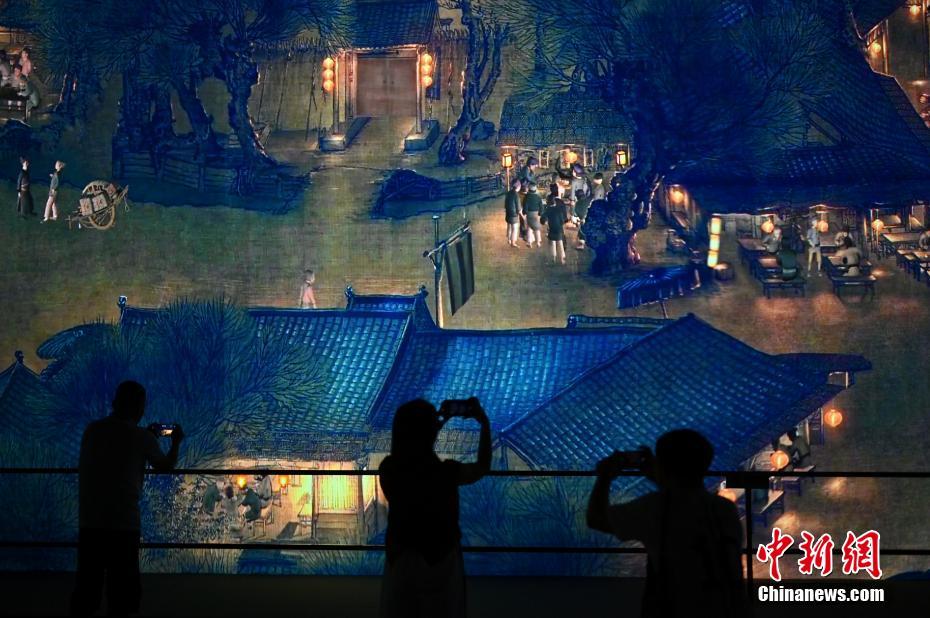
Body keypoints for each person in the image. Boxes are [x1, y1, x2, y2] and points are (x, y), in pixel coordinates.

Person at [587, 430, 745, 617]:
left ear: (663, 466)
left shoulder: (653, 508)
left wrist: (604, 476)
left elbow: (596, 518)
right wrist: (659, 476)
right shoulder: (725, 509)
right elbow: (684, 497)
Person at [70, 381, 184, 617]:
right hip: (123, 524)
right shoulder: (142, 438)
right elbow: (165, 465)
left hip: (90, 522)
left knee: (87, 590)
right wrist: (175, 443)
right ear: (138, 407)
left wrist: (146, 436)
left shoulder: (92, 430)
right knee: (123, 594)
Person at [379, 397, 491, 618]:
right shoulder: (447, 473)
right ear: (431, 432)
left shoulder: (389, 470)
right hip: (443, 563)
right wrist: (483, 423)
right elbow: (481, 467)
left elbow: (415, 456)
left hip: (401, 563)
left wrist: (435, 423)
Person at [543, 185, 568, 265]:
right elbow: (563, 218)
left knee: (552, 243)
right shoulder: (560, 204)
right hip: (559, 228)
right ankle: (562, 259)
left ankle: (553, 259)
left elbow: (543, 219)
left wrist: (545, 222)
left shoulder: (548, 209)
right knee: (560, 243)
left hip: (551, 228)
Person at [522, 182, 543, 248]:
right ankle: (538, 242)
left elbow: (525, 206)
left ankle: (529, 242)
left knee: (529, 228)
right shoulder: (538, 197)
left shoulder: (526, 197)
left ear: (529, 189)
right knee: (537, 228)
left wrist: (524, 213)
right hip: (536, 214)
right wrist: (540, 213)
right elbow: (541, 206)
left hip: (529, 214)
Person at [504, 179, 522, 248]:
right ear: (518, 187)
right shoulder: (516, 195)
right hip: (514, 215)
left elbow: (505, 203)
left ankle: (508, 240)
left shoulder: (508, 193)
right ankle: (513, 242)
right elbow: (518, 208)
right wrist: (522, 216)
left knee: (509, 227)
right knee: (514, 228)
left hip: (508, 213)